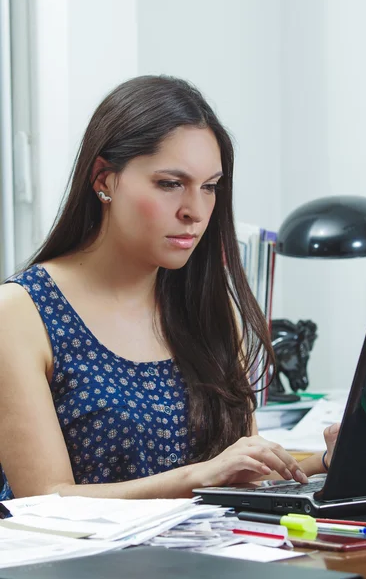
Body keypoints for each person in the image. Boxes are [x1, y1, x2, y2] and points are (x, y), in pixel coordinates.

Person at [0, 76, 339, 500]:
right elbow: (44, 499)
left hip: (212, 558)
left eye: (209, 187)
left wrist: (328, 462)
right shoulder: (19, 313)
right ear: (103, 179)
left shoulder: (210, 310)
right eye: (169, 184)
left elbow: (241, 477)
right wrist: (197, 477)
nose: (194, 211)